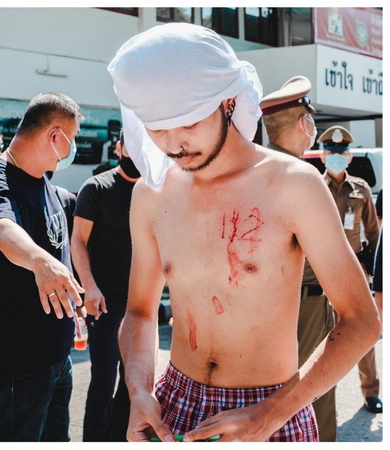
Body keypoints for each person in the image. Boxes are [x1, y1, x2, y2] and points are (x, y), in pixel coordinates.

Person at [107, 23, 379, 442]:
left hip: (271, 406)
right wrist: (139, 390)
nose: (174, 144)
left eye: (189, 123)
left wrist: (271, 413)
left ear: (229, 100)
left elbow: (361, 322)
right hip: (174, 405)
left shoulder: (293, 184)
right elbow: (141, 312)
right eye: (157, 129)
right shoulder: (152, 193)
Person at [0, 92, 85, 442]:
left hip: (58, 358)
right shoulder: (0, 177)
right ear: (55, 136)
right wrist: (39, 260)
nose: (71, 148)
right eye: (72, 140)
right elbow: (2, 230)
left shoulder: (44, 180)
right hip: (20, 367)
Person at [260, 76, 338, 441]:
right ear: (304, 123)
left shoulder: (258, 170)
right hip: (303, 305)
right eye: (311, 120)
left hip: (277, 305)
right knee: (309, 396)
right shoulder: (302, 177)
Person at [71, 128, 138, 441]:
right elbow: (78, 242)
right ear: (119, 147)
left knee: (134, 381)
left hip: (141, 302)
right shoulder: (96, 187)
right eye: (132, 147)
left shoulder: (154, 191)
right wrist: (90, 288)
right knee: (103, 377)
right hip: (105, 301)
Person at [317, 125, 382, 415]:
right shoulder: (312, 186)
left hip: (355, 268)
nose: (336, 156)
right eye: (331, 152)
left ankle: (371, 393)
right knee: (318, 333)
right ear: (322, 155)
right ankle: (317, 395)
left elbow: (374, 233)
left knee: (362, 332)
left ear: (349, 157)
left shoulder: (361, 189)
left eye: (341, 152)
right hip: (319, 268)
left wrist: (375, 271)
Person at [260, 75, 318, 158]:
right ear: (303, 123)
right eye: (310, 117)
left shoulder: (253, 167)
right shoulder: (304, 170)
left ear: (266, 131)